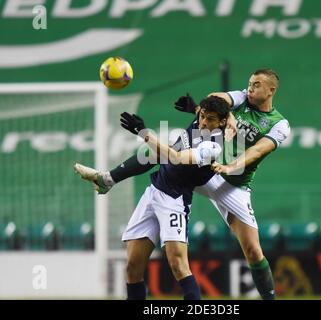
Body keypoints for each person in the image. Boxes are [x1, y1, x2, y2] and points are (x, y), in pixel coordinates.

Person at [75, 69, 290, 300]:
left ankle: (269, 298)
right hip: (207, 171)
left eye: (257, 85)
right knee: (156, 152)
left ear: (271, 90)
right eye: (250, 83)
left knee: (253, 250)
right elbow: (215, 100)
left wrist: (231, 165)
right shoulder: (239, 99)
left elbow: (259, 149)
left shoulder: (279, 124)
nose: (250, 87)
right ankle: (108, 179)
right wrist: (222, 115)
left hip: (232, 183)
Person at [76, 95, 230, 300]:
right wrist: (193, 107)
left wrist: (143, 132)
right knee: (132, 268)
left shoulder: (213, 147)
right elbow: (199, 113)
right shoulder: (200, 119)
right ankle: (107, 179)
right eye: (202, 116)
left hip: (175, 200)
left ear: (221, 122)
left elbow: (175, 158)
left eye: (210, 119)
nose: (203, 122)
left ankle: (107, 179)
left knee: (178, 265)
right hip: (153, 192)